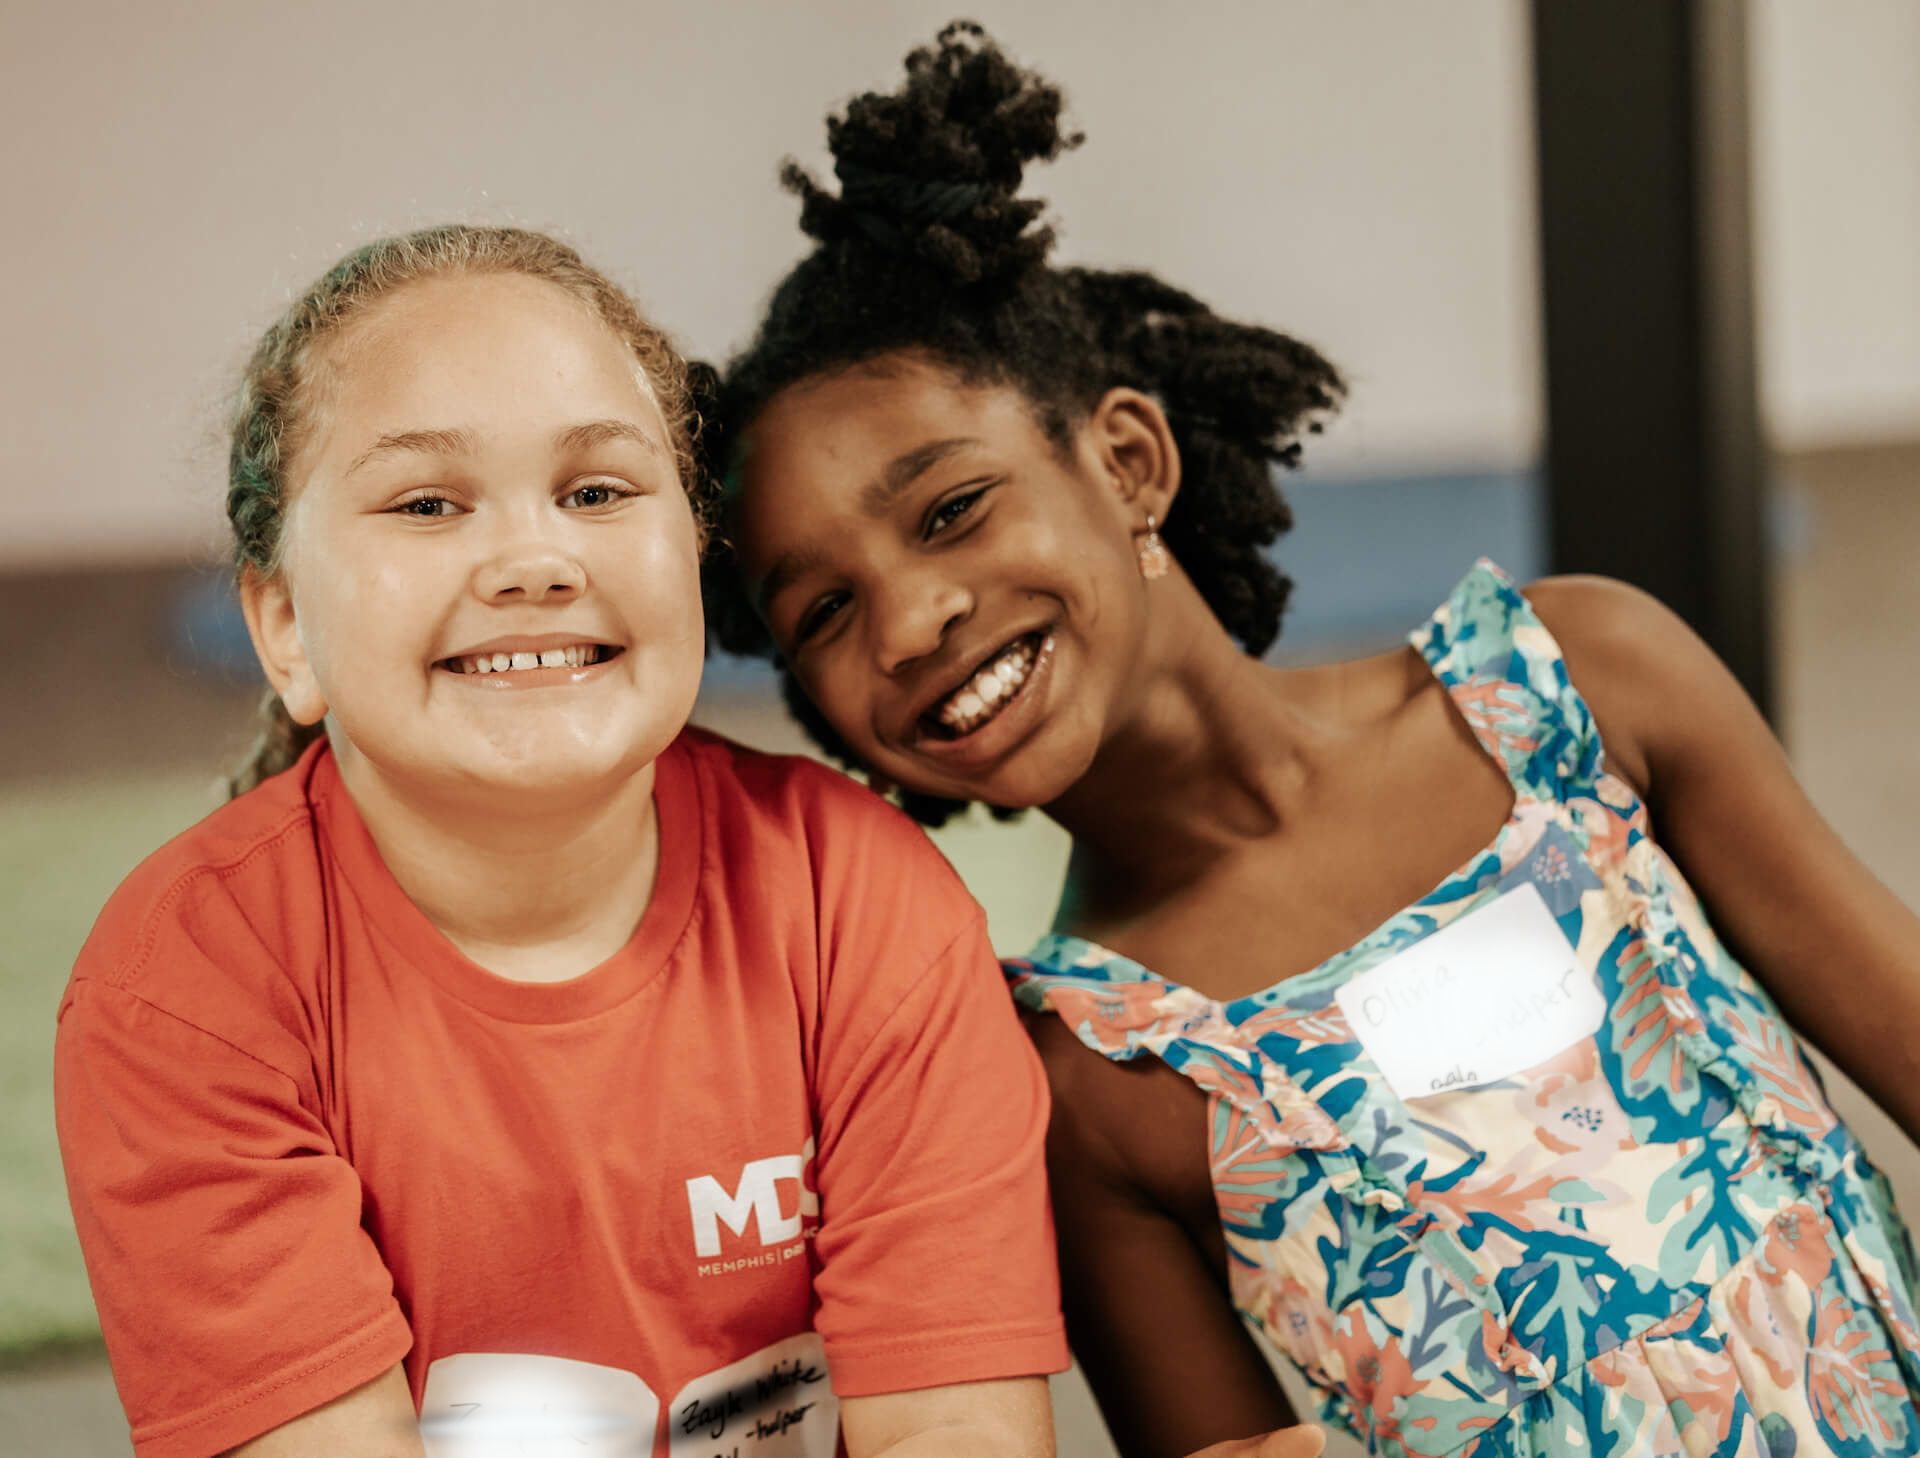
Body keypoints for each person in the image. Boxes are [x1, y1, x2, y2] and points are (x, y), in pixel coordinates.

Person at [705, 24, 1920, 1458]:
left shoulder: (1574, 686)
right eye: (827, 609)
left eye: (953, 508)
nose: (908, 619)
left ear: (1127, 460)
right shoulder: (1085, 1086)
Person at [52, 224, 1072, 1458]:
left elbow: (957, 1430)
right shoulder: (187, 993)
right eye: (428, 503)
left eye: (596, 492)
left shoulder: (867, 907)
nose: (536, 560)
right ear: (285, 633)